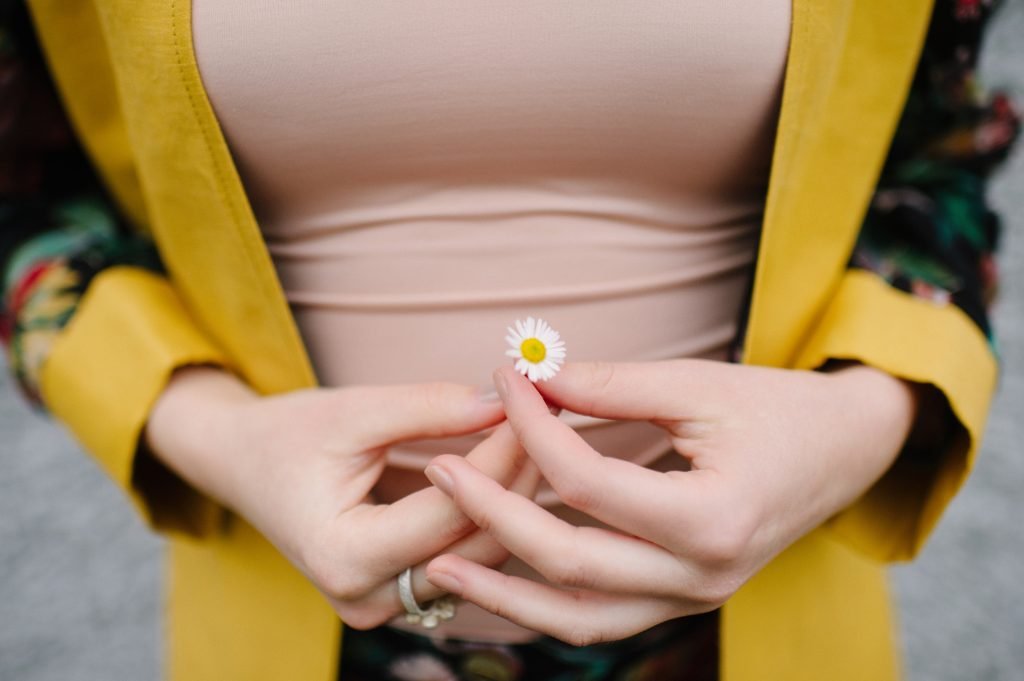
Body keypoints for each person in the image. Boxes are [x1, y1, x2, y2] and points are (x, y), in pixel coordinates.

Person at [1, 1, 1019, 680]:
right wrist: (220, 436)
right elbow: (31, 210)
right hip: (292, 626)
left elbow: (937, 169)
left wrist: (857, 415)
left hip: (766, 624)